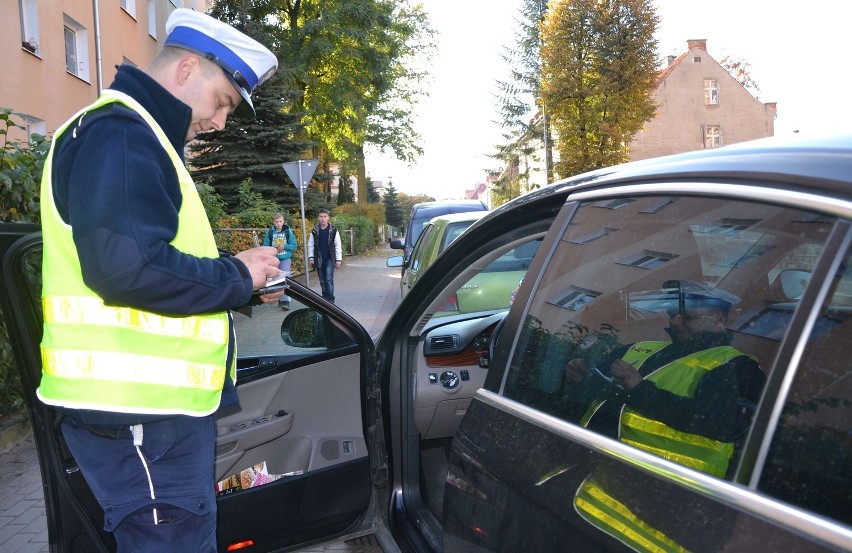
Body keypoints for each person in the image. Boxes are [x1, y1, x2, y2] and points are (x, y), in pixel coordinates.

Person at [37, 9, 283, 552]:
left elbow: (142, 257)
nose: (220, 122)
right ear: (187, 68)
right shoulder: (123, 134)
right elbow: (129, 269)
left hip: (145, 414)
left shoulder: (133, 137)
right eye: (222, 102)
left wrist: (236, 276)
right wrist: (235, 275)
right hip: (138, 416)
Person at [565, 280, 766, 551]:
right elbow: (599, 389)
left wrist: (640, 390)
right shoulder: (639, 349)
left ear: (719, 318)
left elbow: (721, 424)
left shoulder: (736, 367)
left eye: (688, 314)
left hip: (659, 521)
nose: (676, 320)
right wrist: (580, 371)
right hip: (585, 496)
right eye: (673, 313)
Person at [307, 208, 343, 303]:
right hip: (319, 259)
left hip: (329, 259)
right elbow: (310, 244)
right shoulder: (315, 231)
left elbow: (338, 245)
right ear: (318, 218)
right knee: (322, 281)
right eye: (321, 216)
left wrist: (338, 260)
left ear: (328, 218)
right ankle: (324, 299)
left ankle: (330, 300)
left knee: (328, 279)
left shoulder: (333, 230)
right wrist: (311, 257)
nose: (323, 218)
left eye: (325, 216)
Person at [263, 212, 298, 309]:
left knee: (284, 279)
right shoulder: (270, 233)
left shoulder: (288, 232)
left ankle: (285, 300)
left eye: (280, 221)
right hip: (274, 259)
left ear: (283, 222)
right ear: (273, 222)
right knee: (275, 280)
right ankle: (279, 298)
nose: (279, 223)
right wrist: (272, 248)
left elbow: (294, 245)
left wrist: (285, 247)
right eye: (276, 221)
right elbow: (265, 247)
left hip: (285, 259)